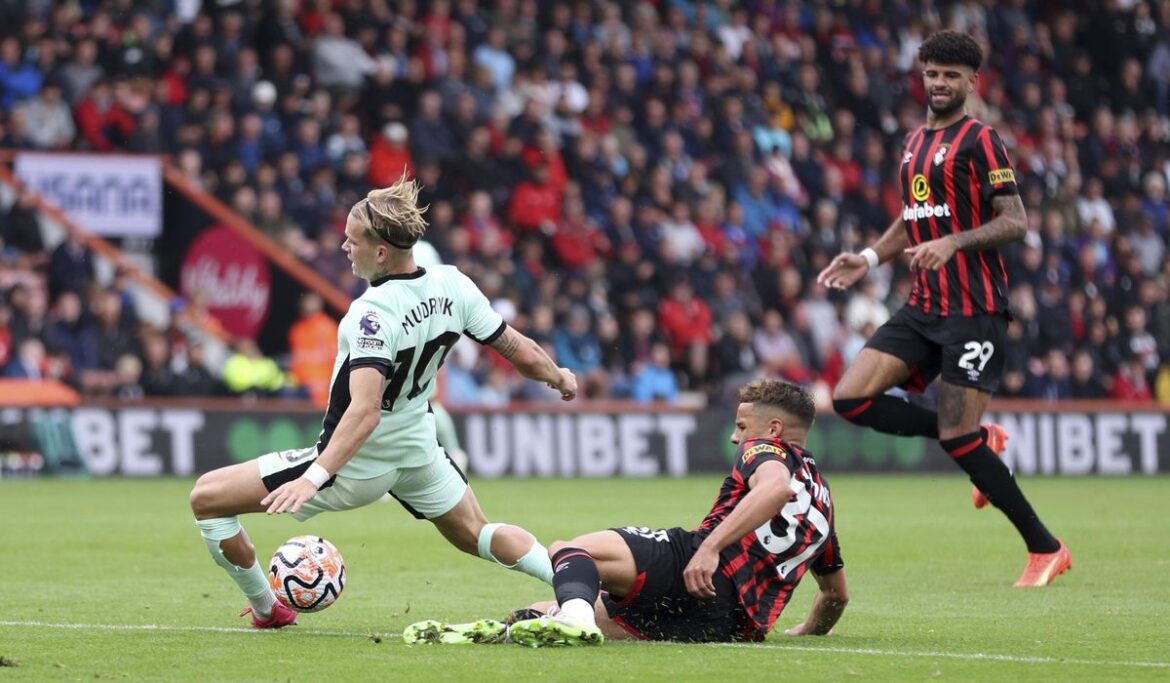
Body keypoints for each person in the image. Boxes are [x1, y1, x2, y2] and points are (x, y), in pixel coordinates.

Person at [188, 177, 578, 628]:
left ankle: (267, 609)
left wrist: (315, 477)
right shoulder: (454, 283)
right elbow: (520, 351)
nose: (343, 247)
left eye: (352, 241)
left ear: (380, 252)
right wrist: (559, 377)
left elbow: (366, 410)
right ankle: (583, 589)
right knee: (479, 534)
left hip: (357, 463)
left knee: (207, 498)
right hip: (416, 449)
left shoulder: (372, 314)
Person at [816, 31, 1070, 587]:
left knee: (958, 439)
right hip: (923, 305)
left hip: (974, 310)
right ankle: (983, 440)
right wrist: (866, 256)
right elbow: (912, 216)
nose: (939, 83)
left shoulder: (982, 141)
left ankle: (1046, 548)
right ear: (921, 75)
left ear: (971, 82)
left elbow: (1016, 220)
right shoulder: (912, 142)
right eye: (932, 73)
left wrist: (954, 242)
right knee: (850, 397)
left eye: (951, 75)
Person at [403, 379, 848, 646]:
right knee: (558, 605)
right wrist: (808, 629)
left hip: (693, 570)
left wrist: (710, 547)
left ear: (772, 429)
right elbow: (835, 595)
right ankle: (497, 630)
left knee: (571, 550)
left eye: (741, 426)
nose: (736, 438)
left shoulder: (765, 449)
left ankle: (567, 619)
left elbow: (774, 488)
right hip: (729, 626)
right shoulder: (823, 502)